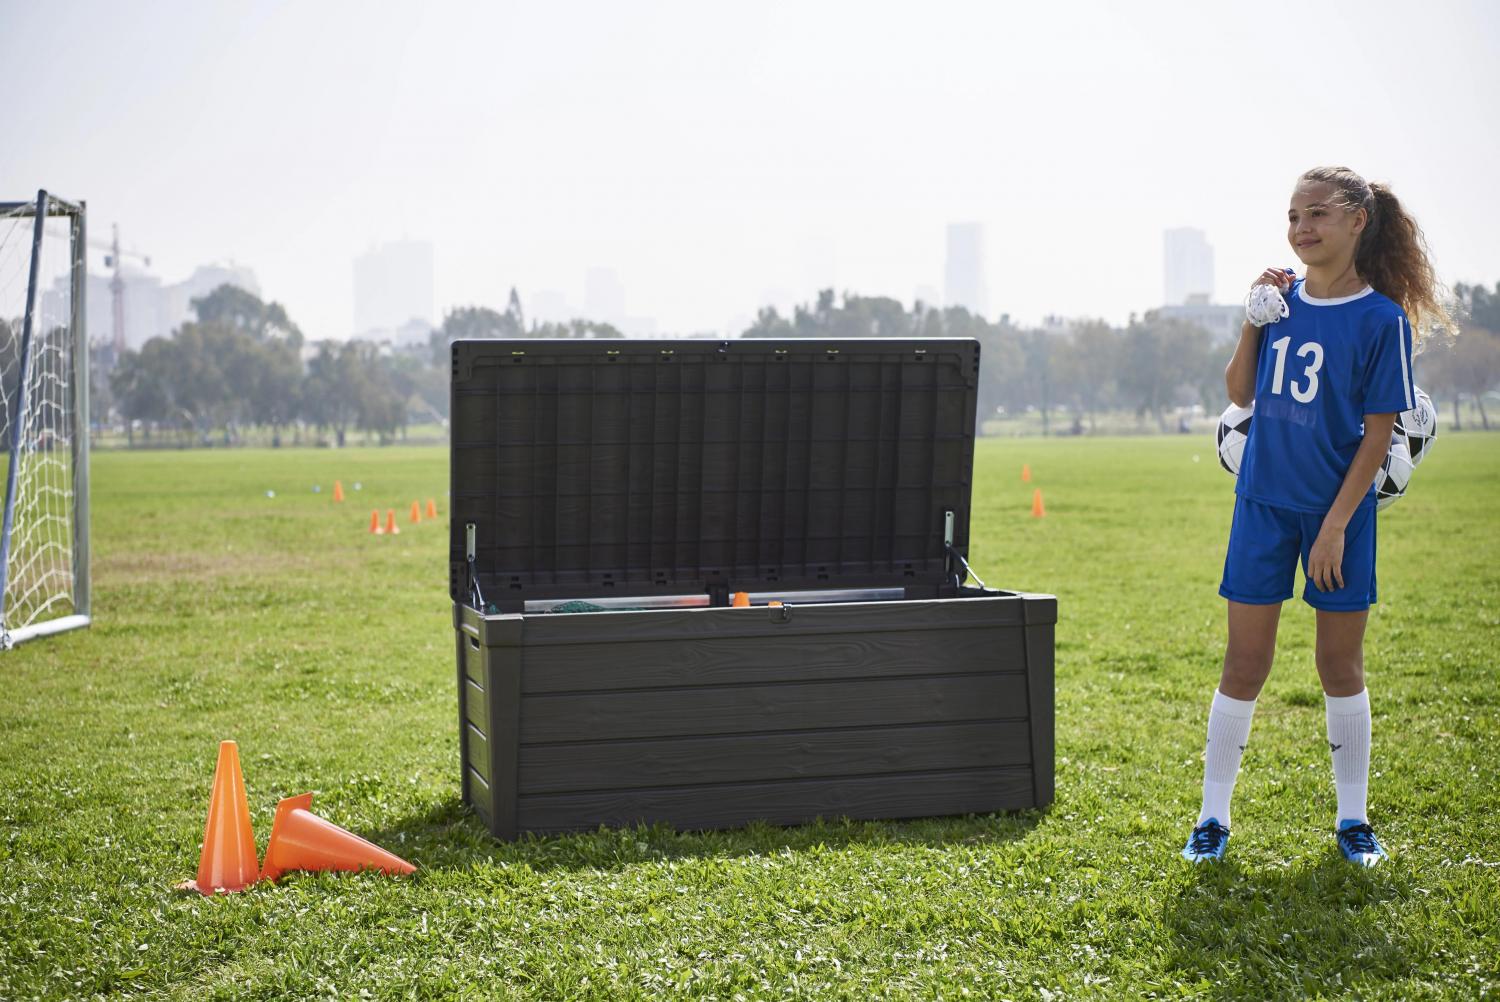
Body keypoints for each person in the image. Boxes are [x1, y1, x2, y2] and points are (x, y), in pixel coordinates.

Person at [1182, 166, 1455, 866]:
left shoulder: (1382, 319)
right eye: (1294, 216)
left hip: (1339, 516)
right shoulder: (1280, 303)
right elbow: (1239, 393)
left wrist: (1335, 526)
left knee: (1339, 663)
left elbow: (1378, 435)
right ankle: (1211, 819)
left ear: (1357, 221)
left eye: (1317, 214)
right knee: (1244, 662)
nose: (1302, 228)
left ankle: (1353, 821)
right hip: (1262, 507)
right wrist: (1252, 320)